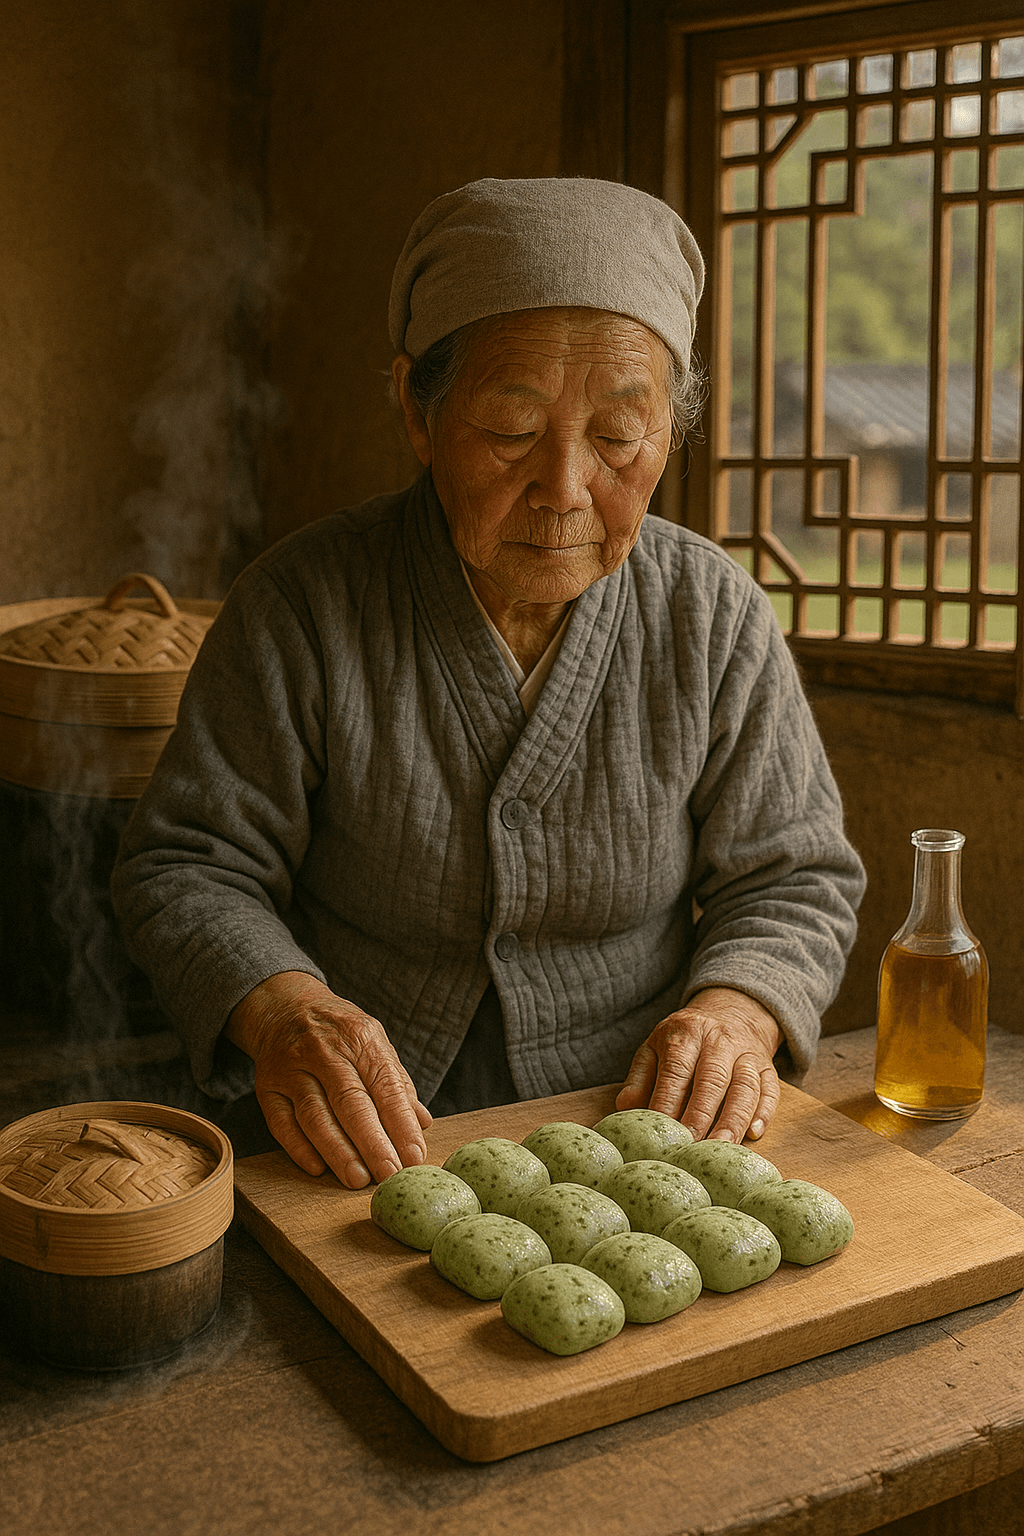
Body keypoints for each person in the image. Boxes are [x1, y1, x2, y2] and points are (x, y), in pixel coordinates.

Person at [112, 177, 865, 1190]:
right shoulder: (302, 603)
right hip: (356, 1136)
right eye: (511, 433)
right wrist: (289, 1009)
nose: (563, 488)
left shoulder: (711, 614)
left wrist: (735, 1011)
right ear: (418, 415)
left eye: (616, 436)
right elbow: (187, 867)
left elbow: (794, 877)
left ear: (668, 430)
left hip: (632, 1134)